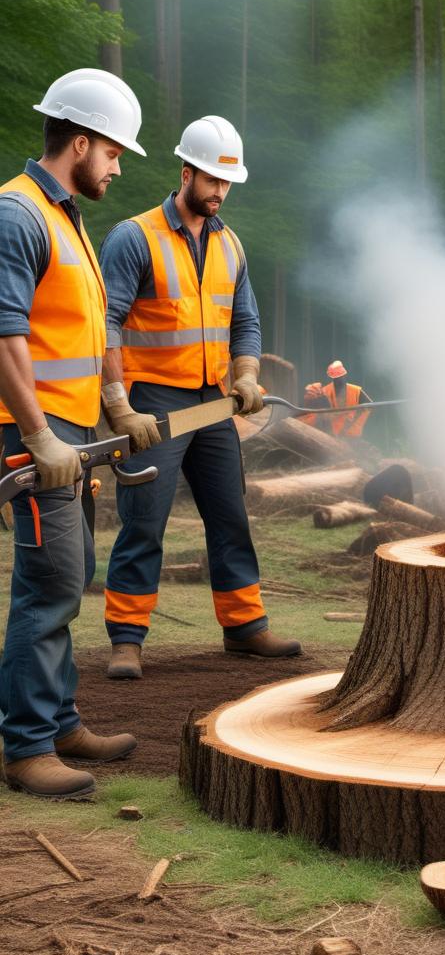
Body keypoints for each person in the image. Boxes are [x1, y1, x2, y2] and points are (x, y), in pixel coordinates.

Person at [100, 115, 301, 680]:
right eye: (211, 179)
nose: (219, 192)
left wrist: (245, 375)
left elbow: (247, 321)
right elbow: (106, 324)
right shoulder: (132, 238)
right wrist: (119, 405)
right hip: (152, 403)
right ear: (185, 170)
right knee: (145, 520)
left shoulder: (230, 243)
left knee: (229, 514)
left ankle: (244, 626)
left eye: (227, 182)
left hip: (214, 403)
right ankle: (126, 638)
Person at [0, 69, 145, 798]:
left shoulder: (67, 218)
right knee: (48, 585)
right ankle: (27, 748)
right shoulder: (18, 213)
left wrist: (114, 408)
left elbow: (84, 333)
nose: (118, 168)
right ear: (80, 141)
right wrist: (40, 434)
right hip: (35, 434)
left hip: (71, 428)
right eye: (114, 153)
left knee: (71, 573)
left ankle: (58, 723)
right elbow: (4, 335)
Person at [302, 359, 371, 437]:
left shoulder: (355, 390)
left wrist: (354, 419)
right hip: (331, 431)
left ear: (344, 375)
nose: (338, 380)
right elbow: (319, 413)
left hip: (351, 431)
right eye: (336, 378)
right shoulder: (325, 391)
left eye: (340, 377)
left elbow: (368, 405)